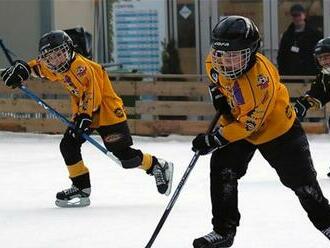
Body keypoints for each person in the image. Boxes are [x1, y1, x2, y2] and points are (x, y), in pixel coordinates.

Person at [191, 16, 330, 247]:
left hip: (278, 130)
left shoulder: (261, 80)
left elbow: (249, 125)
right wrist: (217, 94)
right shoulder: (216, 60)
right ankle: (223, 231)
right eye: (222, 54)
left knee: (303, 185)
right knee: (223, 169)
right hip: (238, 122)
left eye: (235, 55)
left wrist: (215, 139)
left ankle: (327, 224)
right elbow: (216, 79)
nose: (227, 61)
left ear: (251, 52)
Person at [0, 30, 174, 208]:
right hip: (84, 112)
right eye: (50, 56)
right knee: (68, 145)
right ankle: (80, 187)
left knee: (125, 158)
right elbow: (37, 67)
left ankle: (157, 165)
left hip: (107, 112)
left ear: (68, 50)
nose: (56, 59)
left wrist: (84, 117)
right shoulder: (56, 66)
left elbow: (93, 96)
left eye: (59, 53)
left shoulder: (82, 67)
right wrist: (23, 69)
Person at [294, 37, 330, 177]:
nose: (325, 61)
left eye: (328, 57)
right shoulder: (324, 76)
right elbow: (318, 93)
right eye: (321, 58)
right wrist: (304, 104)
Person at [277, 3, 322, 75]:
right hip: (291, 76)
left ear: (304, 15)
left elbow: (319, 54)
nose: (297, 18)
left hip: (310, 75)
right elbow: (281, 56)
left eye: (299, 15)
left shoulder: (315, 35)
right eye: (294, 15)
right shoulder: (287, 35)